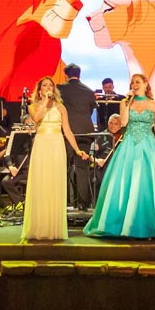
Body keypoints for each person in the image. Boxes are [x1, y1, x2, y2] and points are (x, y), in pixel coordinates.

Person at [84, 73, 155, 239]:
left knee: (146, 184)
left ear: (145, 84)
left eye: (137, 82)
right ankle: (122, 224)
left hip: (147, 145)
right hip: (129, 145)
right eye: (132, 83)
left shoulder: (153, 104)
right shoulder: (125, 102)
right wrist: (128, 102)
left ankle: (149, 225)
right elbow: (123, 123)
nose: (134, 85)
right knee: (125, 183)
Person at [23, 76, 89, 241]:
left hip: (56, 145)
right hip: (42, 145)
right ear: (39, 90)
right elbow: (37, 118)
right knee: (41, 183)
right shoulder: (33, 106)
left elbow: (67, 130)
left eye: (50, 86)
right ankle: (39, 226)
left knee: (54, 183)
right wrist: (45, 101)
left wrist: (77, 149)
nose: (48, 88)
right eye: (44, 85)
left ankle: (53, 227)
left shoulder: (61, 108)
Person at [57, 63, 97, 210]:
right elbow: (91, 108)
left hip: (67, 132)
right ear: (79, 74)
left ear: (66, 75)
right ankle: (83, 204)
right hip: (85, 132)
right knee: (82, 169)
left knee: (63, 167)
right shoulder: (88, 91)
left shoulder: (60, 88)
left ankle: (63, 202)